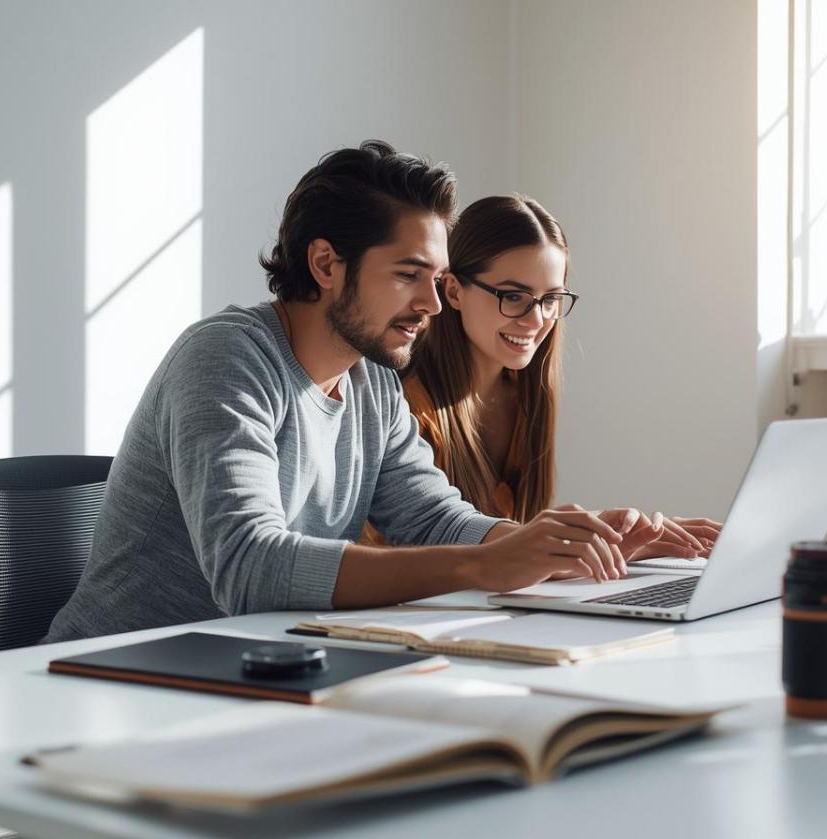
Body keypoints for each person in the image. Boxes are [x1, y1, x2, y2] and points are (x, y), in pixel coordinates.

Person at [45, 142, 675, 643]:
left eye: (437, 280)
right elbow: (248, 565)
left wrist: (557, 547)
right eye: (408, 276)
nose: (432, 304)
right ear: (325, 265)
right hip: (114, 676)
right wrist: (482, 566)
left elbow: (434, 520)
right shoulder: (226, 357)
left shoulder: (372, 381)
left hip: (250, 669)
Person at [361, 195, 720, 557]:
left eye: (550, 299)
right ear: (453, 290)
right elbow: (412, 556)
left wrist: (622, 543)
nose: (536, 320)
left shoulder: (525, 395)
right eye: (514, 296)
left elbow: (513, 544)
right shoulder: (404, 407)